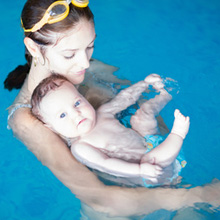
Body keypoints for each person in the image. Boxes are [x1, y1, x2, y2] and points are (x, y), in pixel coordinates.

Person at [4, 0, 220, 217]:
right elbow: (101, 200)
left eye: (90, 47)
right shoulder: (27, 119)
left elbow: (140, 105)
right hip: (126, 210)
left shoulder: (91, 67)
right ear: (33, 48)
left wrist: (161, 149)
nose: (85, 63)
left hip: (165, 179)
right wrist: (200, 195)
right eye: (69, 54)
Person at [31, 73, 189, 187]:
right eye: (63, 115)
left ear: (83, 97)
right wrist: (140, 170)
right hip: (152, 171)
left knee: (141, 118)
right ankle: (178, 135)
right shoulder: (81, 147)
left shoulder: (102, 113)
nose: (75, 114)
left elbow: (124, 98)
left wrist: (144, 84)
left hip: (150, 142)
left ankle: (165, 95)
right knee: (149, 158)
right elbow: (106, 163)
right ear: (51, 128)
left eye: (77, 103)